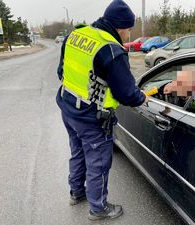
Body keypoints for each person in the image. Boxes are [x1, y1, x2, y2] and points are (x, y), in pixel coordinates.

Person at [56, 0, 148, 221]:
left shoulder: (76, 35)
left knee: (78, 152)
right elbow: (127, 94)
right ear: (120, 27)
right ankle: (98, 208)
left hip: (68, 108)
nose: (128, 34)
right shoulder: (112, 50)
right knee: (98, 162)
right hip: (92, 118)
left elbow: (62, 71)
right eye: (128, 30)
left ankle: (76, 193)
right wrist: (142, 97)